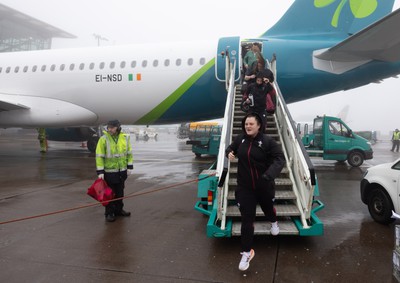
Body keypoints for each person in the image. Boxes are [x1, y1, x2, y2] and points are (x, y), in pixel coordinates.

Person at [225, 112, 285, 271]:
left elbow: (280, 158)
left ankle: (274, 222)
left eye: (251, 124)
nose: (248, 126)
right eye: (246, 124)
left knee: (267, 209)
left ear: (259, 126)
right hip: (245, 188)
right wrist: (229, 153)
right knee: (247, 219)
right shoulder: (240, 139)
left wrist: (269, 175)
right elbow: (230, 148)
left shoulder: (267, 141)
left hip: (263, 185)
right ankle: (246, 252)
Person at [96, 119, 134, 222]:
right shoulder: (103, 139)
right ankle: (109, 213)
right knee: (109, 194)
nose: (110, 129)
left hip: (121, 172)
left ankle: (119, 210)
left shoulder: (124, 138)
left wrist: (129, 167)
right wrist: (100, 172)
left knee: (120, 193)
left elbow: (129, 153)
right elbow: (99, 156)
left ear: (118, 127)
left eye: (112, 127)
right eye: (108, 127)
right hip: (109, 173)